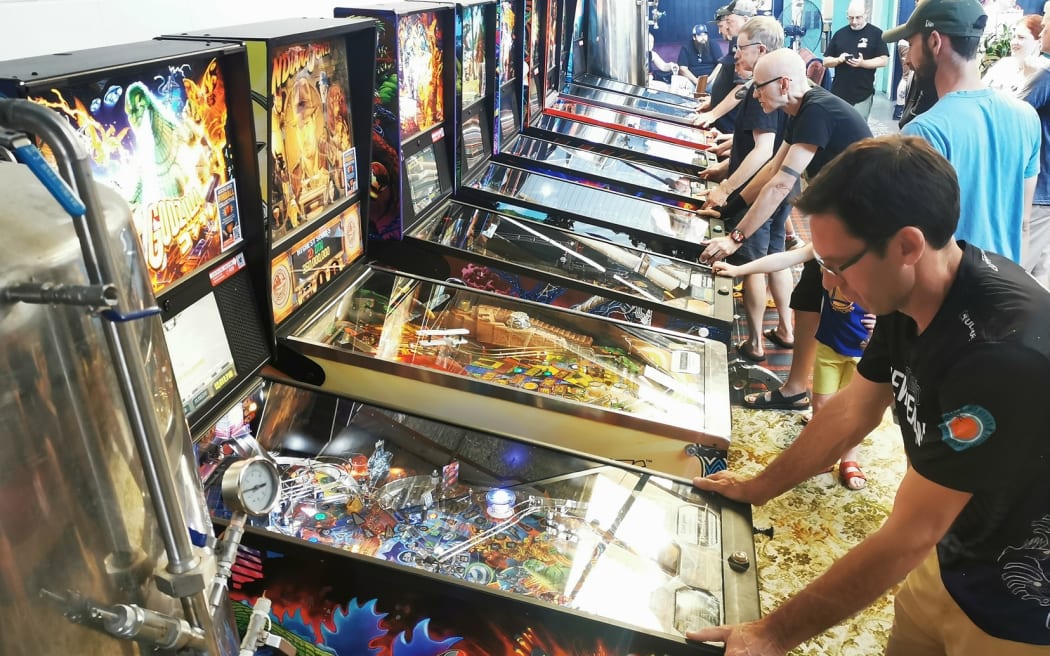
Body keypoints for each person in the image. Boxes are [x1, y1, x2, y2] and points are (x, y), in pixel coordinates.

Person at [690, 134, 1050, 655]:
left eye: (838, 265)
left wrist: (771, 634)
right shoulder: (912, 293)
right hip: (949, 557)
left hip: (1019, 611)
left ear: (907, 245)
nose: (831, 286)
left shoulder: (999, 354)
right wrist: (758, 487)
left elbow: (909, 533)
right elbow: (852, 412)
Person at [700, 48, 871, 410]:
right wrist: (726, 207)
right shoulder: (800, 110)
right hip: (839, 216)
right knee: (806, 299)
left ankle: (832, 410)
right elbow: (770, 172)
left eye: (759, 87)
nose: (756, 94)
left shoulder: (817, 110)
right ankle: (795, 389)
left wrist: (735, 238)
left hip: (862, 225)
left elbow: (780, 185)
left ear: (784, 83)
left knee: (838, 318)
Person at [885, 0, 1040, 265]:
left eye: (911, 45)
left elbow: (916, 242)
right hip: (1004, 287)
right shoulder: (1026, 116)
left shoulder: (924, 132)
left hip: (951, 296)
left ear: (934, 42)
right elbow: (1024, 223)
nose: (909, 59)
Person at [713, 243, 876, 490]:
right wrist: (739, 270)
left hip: (863, 355)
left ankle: (849, 457)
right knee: (821, 404)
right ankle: (823, 453)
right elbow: (784, 259)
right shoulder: (829, 248)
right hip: (828, 349)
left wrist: (883, 327)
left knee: (855, 409)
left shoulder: (876, 262)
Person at [700, 17, 795, 364]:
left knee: (754, 262)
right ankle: (786, 329)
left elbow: (762, 151)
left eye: (741, 48)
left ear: (761, 50)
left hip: (763, 189)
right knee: (774, 256)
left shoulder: (763, 88)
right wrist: (723, 166)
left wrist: (727, 190)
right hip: (781, 184)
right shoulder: (778, 81)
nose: (735, 54)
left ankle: (754, 343)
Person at [823, 1, 891, 119]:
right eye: (851, 18)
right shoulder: (840, 34)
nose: (854, 22)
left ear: (866, 14)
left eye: (858, 17)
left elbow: (883, 60)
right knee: (839, 128)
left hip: (863, 93)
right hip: (839, 93)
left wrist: (862, 63)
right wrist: (839, 60)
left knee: (859, 128)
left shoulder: (876, 34)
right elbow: (826, 61)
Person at [697, 0, 757, 133]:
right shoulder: (737, 41)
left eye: (730, 22)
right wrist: (714, 100)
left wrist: (713, 114)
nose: (726, 27)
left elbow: (742, 86)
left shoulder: (747, 44)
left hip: (730, 124)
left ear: (745, 19)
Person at [1021, 46, 1050, 284]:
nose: (1043, 32)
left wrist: (1028, 76)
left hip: (1040, 187)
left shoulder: (1045, 76)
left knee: (1018, 271)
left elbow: (1013, 117)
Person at [983, 15, 1045, 95]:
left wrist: (1027, 77)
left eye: (1021, 37)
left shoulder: (1043, 71)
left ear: (1039, 41)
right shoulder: (1004, 63)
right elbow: (981, 91)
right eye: (1013, 37)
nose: (1013, 42)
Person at [678, 24, 722, 90]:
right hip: (692, 82)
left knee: (721, 82)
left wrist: (709, 79)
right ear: (694, 37)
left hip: (711, 80)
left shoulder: (713, 44)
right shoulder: (686, 47)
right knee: (679, 83)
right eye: (700, 35)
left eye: (705, 34)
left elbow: (720, 64)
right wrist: (696, 81)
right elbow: (682, 69)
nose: (703, 37)